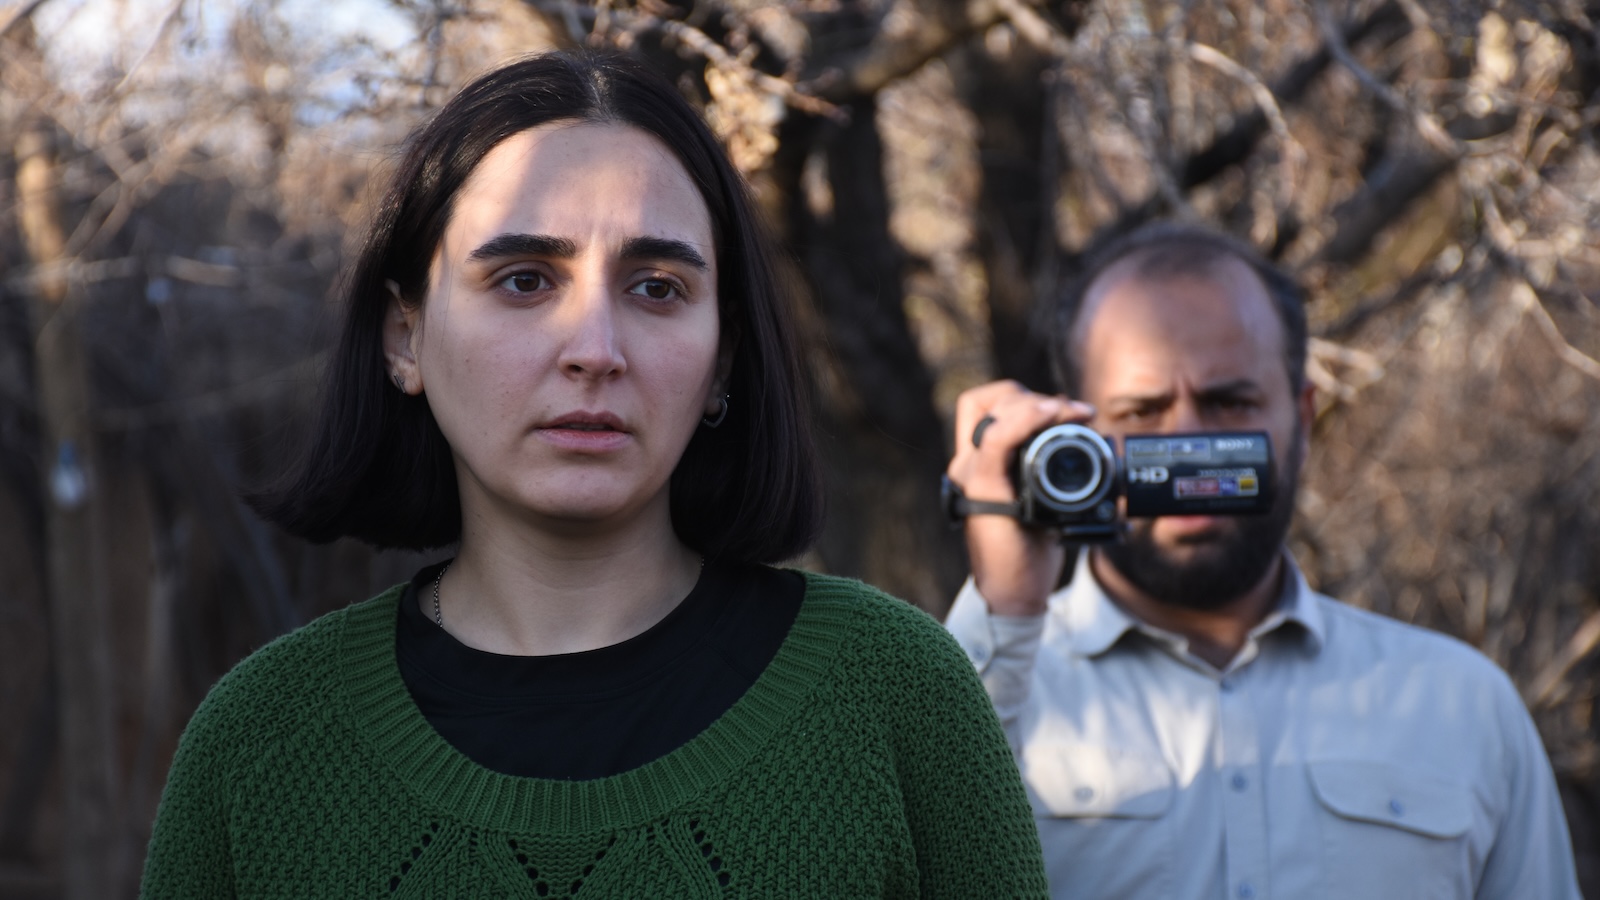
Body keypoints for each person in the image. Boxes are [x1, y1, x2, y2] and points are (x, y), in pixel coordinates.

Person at [140, 51, 1047, 898]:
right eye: (526, 279)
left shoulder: (895, 698)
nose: (595, 350)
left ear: (724, 357)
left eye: (656, 287)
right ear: (405, 336)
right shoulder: (259, 747)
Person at [942, 222, 1581, 900]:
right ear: (1075, 436)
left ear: (1302, 419)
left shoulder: (1463, 708)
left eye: (1228, 403)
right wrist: (1004, 608)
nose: (1187, 445)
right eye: (1141, 412)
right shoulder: (995, 684)